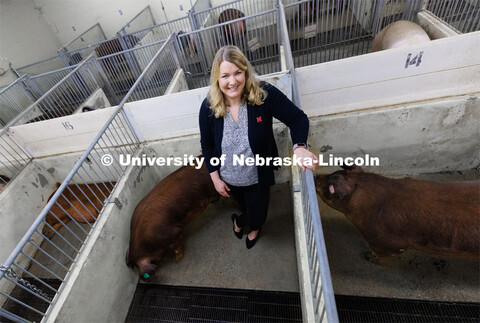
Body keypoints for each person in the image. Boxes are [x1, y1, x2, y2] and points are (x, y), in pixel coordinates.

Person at [199, 45, 317, 249]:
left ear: (246, 71)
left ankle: (245, 224)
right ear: (217, 78)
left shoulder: (263, 94)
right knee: (244, 206)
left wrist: (299, 146)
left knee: (257, 215)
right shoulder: (209, 106)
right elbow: (207, 144)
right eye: (225, 75)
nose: (233, 81)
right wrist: (216, 179)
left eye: (238, 72)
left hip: (257, 177)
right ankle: (246, 220)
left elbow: (297, 118)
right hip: (229, 179)